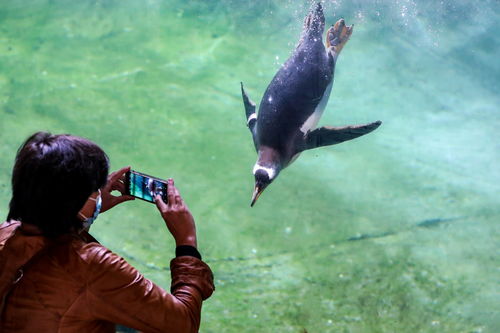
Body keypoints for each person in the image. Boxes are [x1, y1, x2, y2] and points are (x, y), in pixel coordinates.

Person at [0, 132, 214, 333]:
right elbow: (182, 323)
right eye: (96, 189)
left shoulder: (5, 232)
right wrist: (186, 242)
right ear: (79, 202)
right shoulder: (93, 266)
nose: (100, 193)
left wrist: (85, 212)